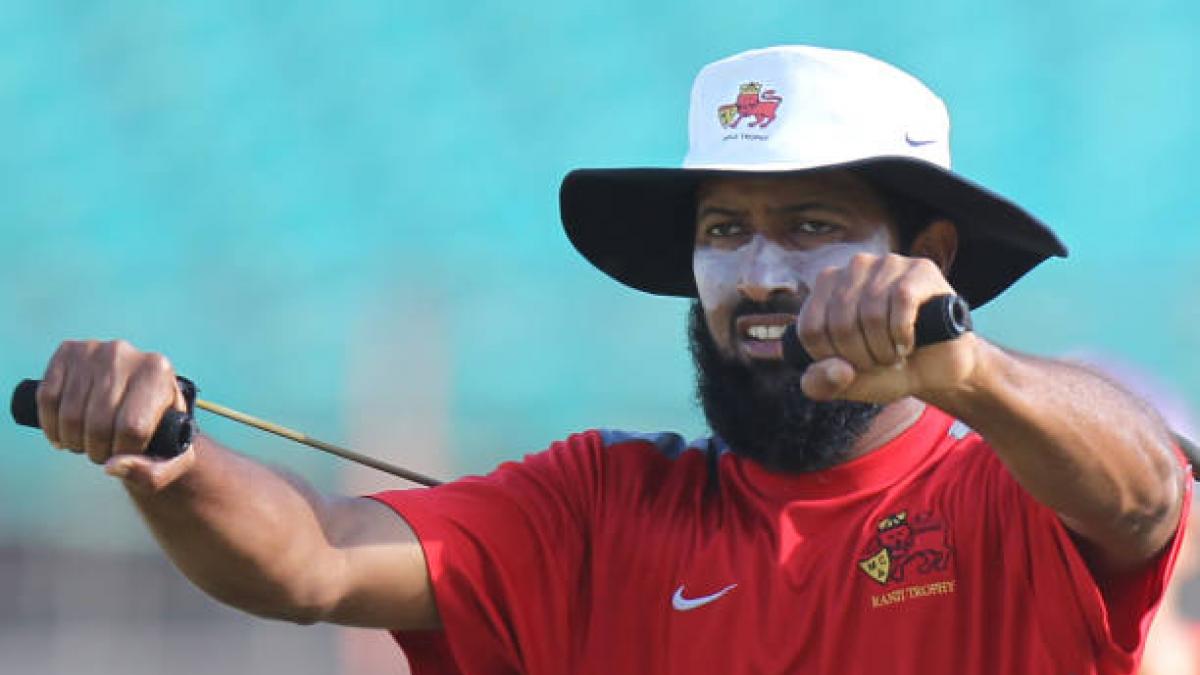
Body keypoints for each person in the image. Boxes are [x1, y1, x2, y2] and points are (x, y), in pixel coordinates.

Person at [28, 46, 1191, 674]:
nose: (760, 274)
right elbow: (312, 561)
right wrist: (169, 461)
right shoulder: (596, 503)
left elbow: (1147, 497)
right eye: (724, 230)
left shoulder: (1014, 482)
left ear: (926, 257)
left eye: (813, 226)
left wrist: (968, 369)